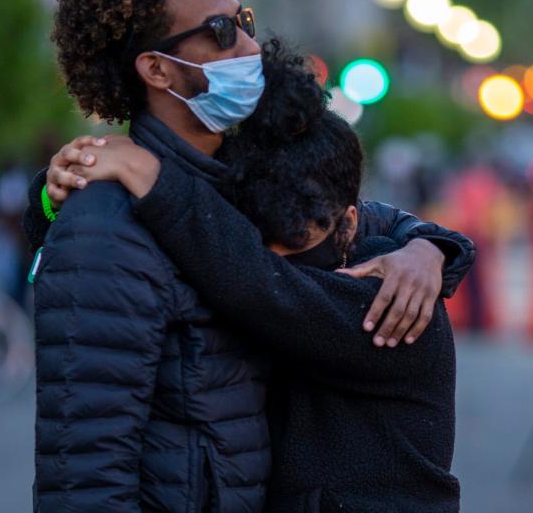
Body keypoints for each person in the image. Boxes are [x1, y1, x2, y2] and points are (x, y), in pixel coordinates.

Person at [24, 0, 474, 512]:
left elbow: (284, 265)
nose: (248, 47)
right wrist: (52, 197)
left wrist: (430, 246)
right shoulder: (112, 217)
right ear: (156, 69)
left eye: (244, 21)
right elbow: (83, 477)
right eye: (220, 32)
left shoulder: (234, 196)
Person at [59, 103, 460, 511]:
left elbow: (259, 283)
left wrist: (153, 179)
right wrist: (61, 193)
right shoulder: (295, 232)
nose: (278, 259)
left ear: (349, 225)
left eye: (295, 243)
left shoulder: (390, 299)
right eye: (262, 241)